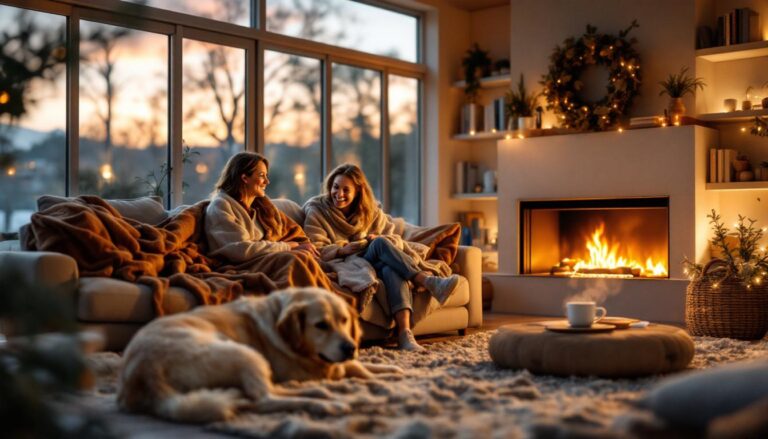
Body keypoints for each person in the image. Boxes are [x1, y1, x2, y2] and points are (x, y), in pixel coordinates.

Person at [303, 163, 461, 351]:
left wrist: (378, 238)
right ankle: (427, 281)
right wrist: (343, 249)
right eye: (336, 187)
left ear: (358, 192)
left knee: (388, 264)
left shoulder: (371, 212)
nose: (339, 194)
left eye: (346, 190)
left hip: (375, 259)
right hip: (347, 261)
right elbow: (317, 248)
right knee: (381, 248)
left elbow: (394, 238)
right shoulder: (318, 210)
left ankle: (405, 334)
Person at [205, 152, 335, 293]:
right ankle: (313, 303)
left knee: (303, 256)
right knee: (293, 259)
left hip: (259, 259)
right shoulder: (221, 205)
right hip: (237, 265)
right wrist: (288, 246)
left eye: (266, 176)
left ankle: (322, 302)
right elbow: (241, 250)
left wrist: (299, 246)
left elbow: (289, 233)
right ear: (244, 178)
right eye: (261, 175)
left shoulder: (259, 207)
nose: (267, 181)